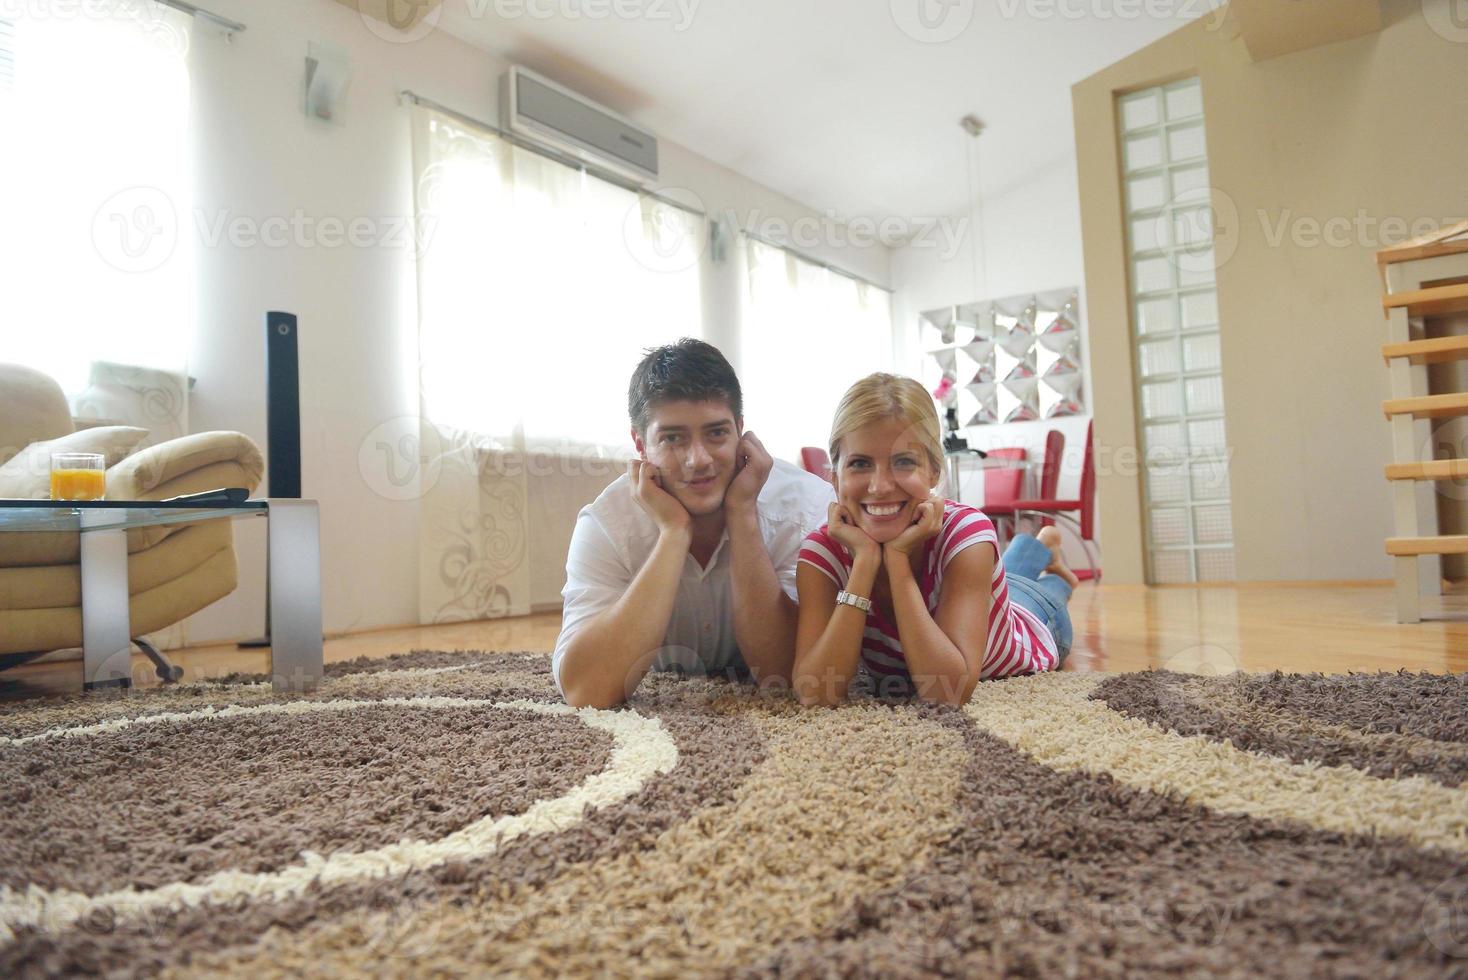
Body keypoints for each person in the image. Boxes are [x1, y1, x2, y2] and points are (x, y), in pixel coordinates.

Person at [553, 339, 835, 708]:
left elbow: (783, 675)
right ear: (640, 445)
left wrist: (743, 515)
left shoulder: (805, 508)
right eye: (672, 438)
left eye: (717, 433)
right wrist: (673, 534)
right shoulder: (607, 524)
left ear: (741, 431)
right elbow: (585, 690)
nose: (698, 460)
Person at [793, 373, 1076, 707]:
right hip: (990, 596)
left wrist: (896, 561)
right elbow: (815, 692)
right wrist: (865, 564)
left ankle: (1055, 567)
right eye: (859, 463)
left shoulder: (967, 532)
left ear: (934, 472)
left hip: (1035, 620)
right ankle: (1042, 545)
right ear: (835, 477)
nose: (880, 486)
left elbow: (947, 691)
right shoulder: (821, 553)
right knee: (1008, 580)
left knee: (1042, 592)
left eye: (903, 462)